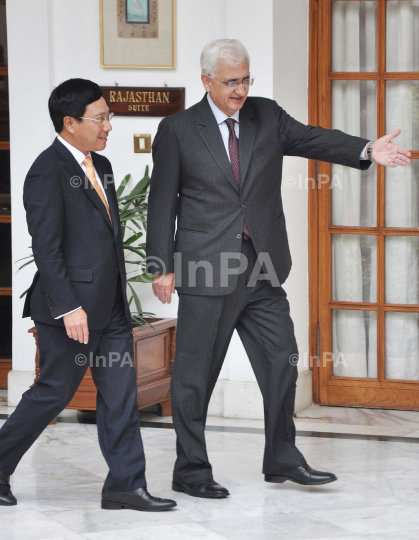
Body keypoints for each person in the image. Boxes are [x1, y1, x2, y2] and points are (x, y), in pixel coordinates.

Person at [146, 39, 411, 499]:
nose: (241, 89)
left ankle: (282, 458)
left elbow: (311, 138)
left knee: (282, 361)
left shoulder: (265, 115)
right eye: (231, 81)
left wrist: (367, 149)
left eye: (246, 79)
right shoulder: (178, 129)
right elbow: (162, 199)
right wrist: (160, 265)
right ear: (206, 80)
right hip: (205, 268)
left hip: (262, 266)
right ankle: (190, 470)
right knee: (194, 377)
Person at [0, 78, 176, 512]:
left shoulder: (104, 166)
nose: (108, 126)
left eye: (108, 116)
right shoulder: (46, 171)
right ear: (70, 122)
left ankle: (125, 486)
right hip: (69, 311)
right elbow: (47, 248)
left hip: (111, 306)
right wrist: (69, 306)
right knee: (53, 393)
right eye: (100, 118)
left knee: (120, 395)